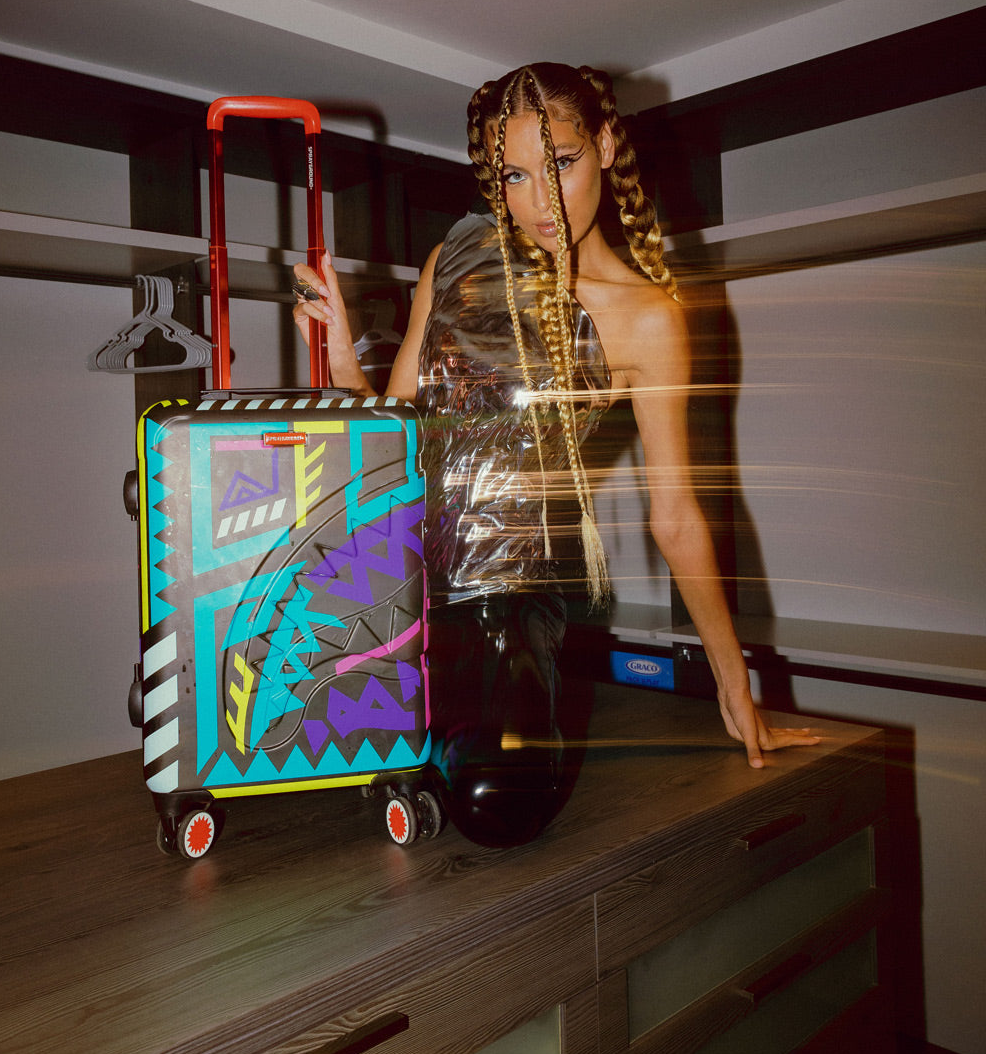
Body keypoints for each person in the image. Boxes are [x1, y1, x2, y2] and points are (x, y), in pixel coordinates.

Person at [294, 62, 818, 847]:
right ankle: (409, 745)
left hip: (508, 595)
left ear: (605, 147)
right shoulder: (454, 259)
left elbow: (676, 516)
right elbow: (392, 435)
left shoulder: (646, 320)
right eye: (514, 176)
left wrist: (733, 682)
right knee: (288, 744)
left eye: (561, 163)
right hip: (397, 574)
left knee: (496, 808)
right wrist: (341, 355)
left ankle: (426, 749)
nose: (540, 201)